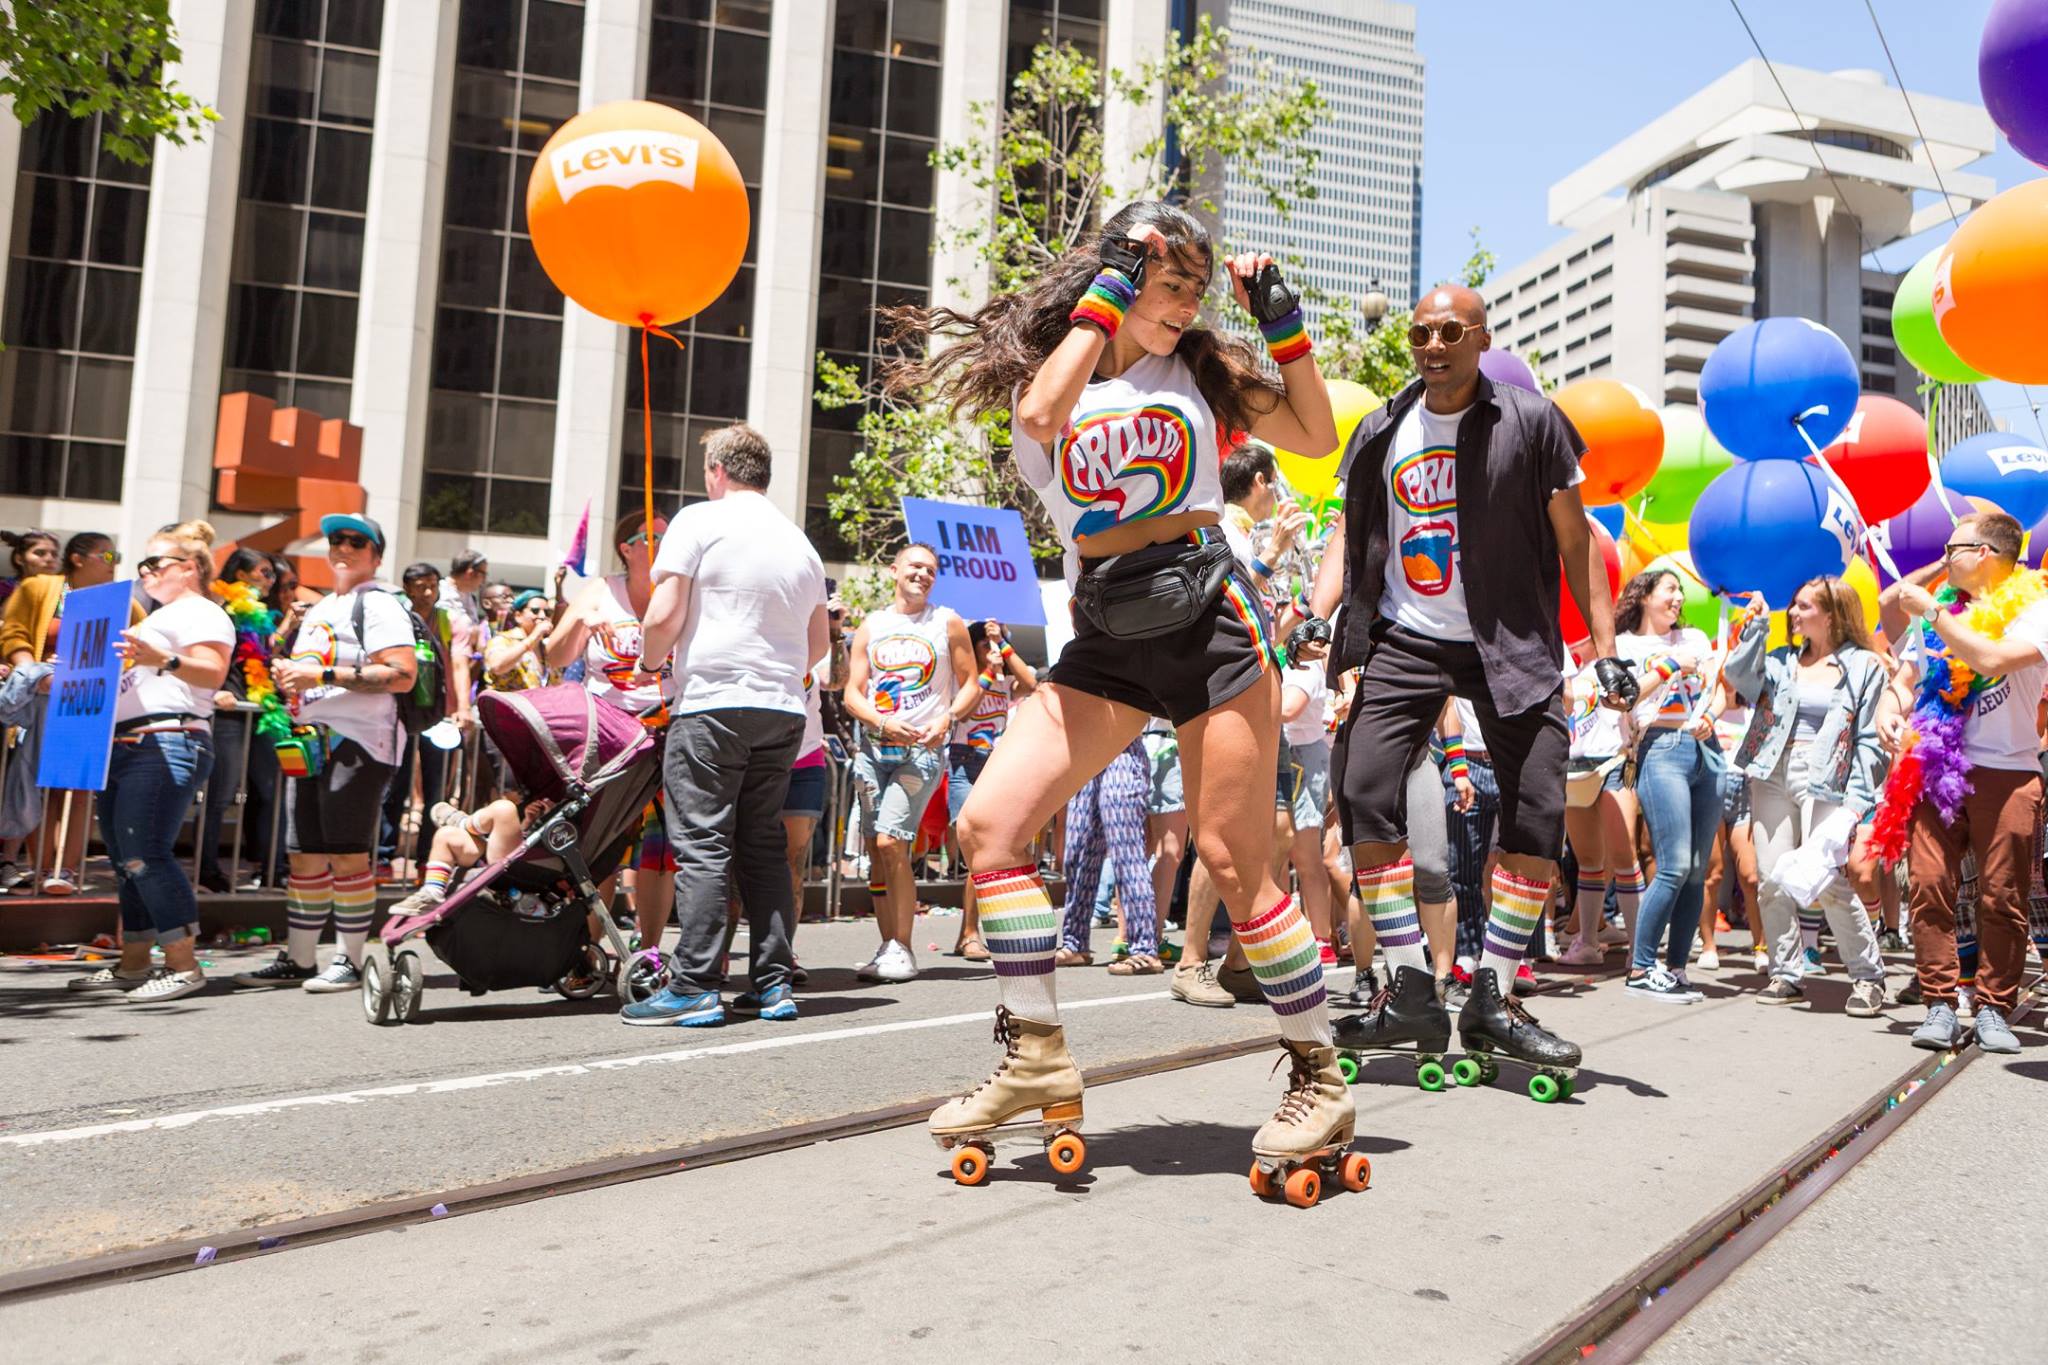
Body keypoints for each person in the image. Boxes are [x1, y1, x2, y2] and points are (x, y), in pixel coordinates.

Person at [887, 199, 1350, 1175]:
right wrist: (1104, 294)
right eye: (1167, 281)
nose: (1183, 304)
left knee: (1231, 858)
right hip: (1104, 628)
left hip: (1209, 622)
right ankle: (1036, 1057)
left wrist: (1280, 322)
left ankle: (1319, 1076)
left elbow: (1312, 434)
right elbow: (1038, 418)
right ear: (1120, 271)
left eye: (1194, 287)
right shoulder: (1056, 370)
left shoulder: (1203, 374)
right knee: (990, 827)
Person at [1327, 282, 1630, 1089]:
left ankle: (1493, 994)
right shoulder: (1381, 427)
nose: (1433, 345)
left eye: (1450, 332)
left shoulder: (1530, 422)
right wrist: (1314, 620)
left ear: (1481, 337)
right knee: (1362, 788)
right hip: (1404, 636)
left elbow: (1578, 547)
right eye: (1422, 333)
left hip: (1511, 642)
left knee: (1536, 808)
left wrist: (1603, 652)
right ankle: (1410, 987)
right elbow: (1349, 534)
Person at [620, 423, 830, 1027]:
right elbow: (817, 643)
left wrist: (651, 661)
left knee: (705, 842)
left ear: (717, 471)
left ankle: (693, 985)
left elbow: (663, 614)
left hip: (713, 702)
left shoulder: (696, 520)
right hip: (783, 709)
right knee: (762, 845)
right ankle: (772, 984)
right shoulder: (800, 543)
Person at [1878, 511, 2048, 1055]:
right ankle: (1940, 1004)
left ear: (1988, 553)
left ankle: (1996, 1007)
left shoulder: (2036, 609)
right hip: (1936, 768)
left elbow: (1991, 656)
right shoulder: (1940, 617)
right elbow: (1905, 680)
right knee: (1928, 887)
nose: (1944, 558)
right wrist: (1890, 706)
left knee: (2003, 894)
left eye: (1954, 548)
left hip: (2011, 770)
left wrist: (1930, 611)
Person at [235, 514, 417, 992]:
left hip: (359, 742)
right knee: (305, 856)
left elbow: (402, 674)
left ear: (377, 555)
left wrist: (321, 677)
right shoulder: (323, 607)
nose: (344, 546)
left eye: (358, 541)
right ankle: (299, 958)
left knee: (350, 856)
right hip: (312, 741)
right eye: (336, 539)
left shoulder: (379, 604)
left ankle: (350, 962)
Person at [67, 523, 234, 1002]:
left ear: (189, 568)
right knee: (125, 861)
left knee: (146, 856)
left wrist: (165, 659)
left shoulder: (200, 611)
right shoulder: (154, 618)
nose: (144, 571)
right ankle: (134, 962)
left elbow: (214, 670)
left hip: (167, 739)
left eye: (154, 563)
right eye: (141, 564)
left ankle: (183, 964)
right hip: (126, 745)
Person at [1725, 576, 1890, 1016]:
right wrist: (1756, 627)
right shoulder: (1780, 660)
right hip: (1771, 771)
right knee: (1770, 877)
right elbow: (1737, 676)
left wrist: (1857, 800)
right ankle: (1786, 973)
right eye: (1793, 606)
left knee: (1828, 878)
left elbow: (1870, 740)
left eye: (1804, 606)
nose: (1793, 614)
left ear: (1832, 615)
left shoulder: (1864, 667)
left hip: (1827, 776)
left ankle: (1868, 977)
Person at [840, 543, 978, 983]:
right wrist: (881, 721)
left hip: (920, 754)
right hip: (873, 752)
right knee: (877, 857)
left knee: (890, 842)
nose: (923, 575)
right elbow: (851, 693)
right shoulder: (872, 625)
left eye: (931, 570)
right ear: (894, 569)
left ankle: (902, 946)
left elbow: (972, 683)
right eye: (915, 567)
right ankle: (888, 947)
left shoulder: (946, 622)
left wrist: (949, 718)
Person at [544, 511, 676, 956]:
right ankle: (588, 947)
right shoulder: (602, 590)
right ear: (627, 547)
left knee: (661, 848)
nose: (660, 544)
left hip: (665, 727)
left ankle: (651, 949)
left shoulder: (678, 592)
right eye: (651, 537)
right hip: (610, 733)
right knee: (600, 843)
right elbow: (555, 657)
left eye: (666, 537)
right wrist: (585, 621)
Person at [1613, 568, 1721, 1003]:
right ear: (1643, 596)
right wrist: (1669, 665)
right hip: (1659, 747)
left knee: (1697, 869)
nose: (1679, 598)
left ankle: (1675, 968)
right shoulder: (1623, 646)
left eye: (1680, 591)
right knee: (1673, 863)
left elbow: (1719, 688)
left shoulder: (1695, 638)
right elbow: (1622, 697)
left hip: (1707, 749)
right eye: (1670, 589)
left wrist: (1710, 715)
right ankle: (1641, 966)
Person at [1, 529, 127, 894]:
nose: (113, 564)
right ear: (78, 558)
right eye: (107, 556)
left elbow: (136, 640)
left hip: (87, 701)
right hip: (42, 699)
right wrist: (35, 671)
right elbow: (14, 634)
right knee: (40, 785)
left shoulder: (115, 599)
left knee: (78, 787)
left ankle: (67, 871)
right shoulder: (39, 588)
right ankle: (42, 868)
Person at [200, 547, 287, 892]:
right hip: (230, 712)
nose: (271, 579)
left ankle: (273, 869)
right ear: (240, 575)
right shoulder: (225, 612)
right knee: (219, 794)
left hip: (261, 710)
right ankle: (206, 870)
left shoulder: (260, 616)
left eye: (272, 574)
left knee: (270, 792)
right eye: (265, 572)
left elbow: (258, 662)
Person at [948, 619, 1037, 959]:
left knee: (986, 852)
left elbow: (1030, 682)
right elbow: (965, 709)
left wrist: (1003, 643)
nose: (992, 649)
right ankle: (969, 933)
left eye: (995, 643)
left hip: (995, 763)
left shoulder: (1005, 677)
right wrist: (986, 671)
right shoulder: (965, 680)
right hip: (964, 761)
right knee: (975, 853)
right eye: (984, 643)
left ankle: (970, 933)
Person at [484, 590, 550, 691]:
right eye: (535, 611)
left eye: (547, 612)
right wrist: (532, 638)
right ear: (518, 616)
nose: (542, 616)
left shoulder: (546, 646)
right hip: (507, 705)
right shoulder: (502, 640)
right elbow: (497, 666)